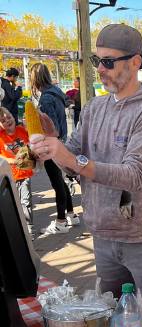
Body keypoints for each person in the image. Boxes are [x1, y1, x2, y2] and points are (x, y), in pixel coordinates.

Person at [30, 24, 142, 304]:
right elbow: (71, 162)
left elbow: (136, 176)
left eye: (108, 61)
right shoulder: (95, 108)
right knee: (113, 318)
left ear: (136, 62)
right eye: (98, 61)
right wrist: (53, 142)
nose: (100, 68)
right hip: (102, 236)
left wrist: (72, 159)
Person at [30, 63, 78, 234]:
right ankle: (71, 214)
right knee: (61, 181)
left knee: (56, 183)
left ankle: (61, 221)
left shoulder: (46, 98)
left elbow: (52, 128)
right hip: (62, 141)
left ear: (34, 78)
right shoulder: (56, 93)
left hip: (52, 144)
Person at [0, 107, 35, 237]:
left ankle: (29, 228)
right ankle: (15, 227)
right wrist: (11, 160)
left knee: (25, 201)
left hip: (24, 174)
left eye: (9, 117)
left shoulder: (22, 130)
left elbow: (32, 143)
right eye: (3, 120)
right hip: (9, 176)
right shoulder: (1, 137)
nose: (7, 121)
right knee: (13, 203)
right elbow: (1, 157)